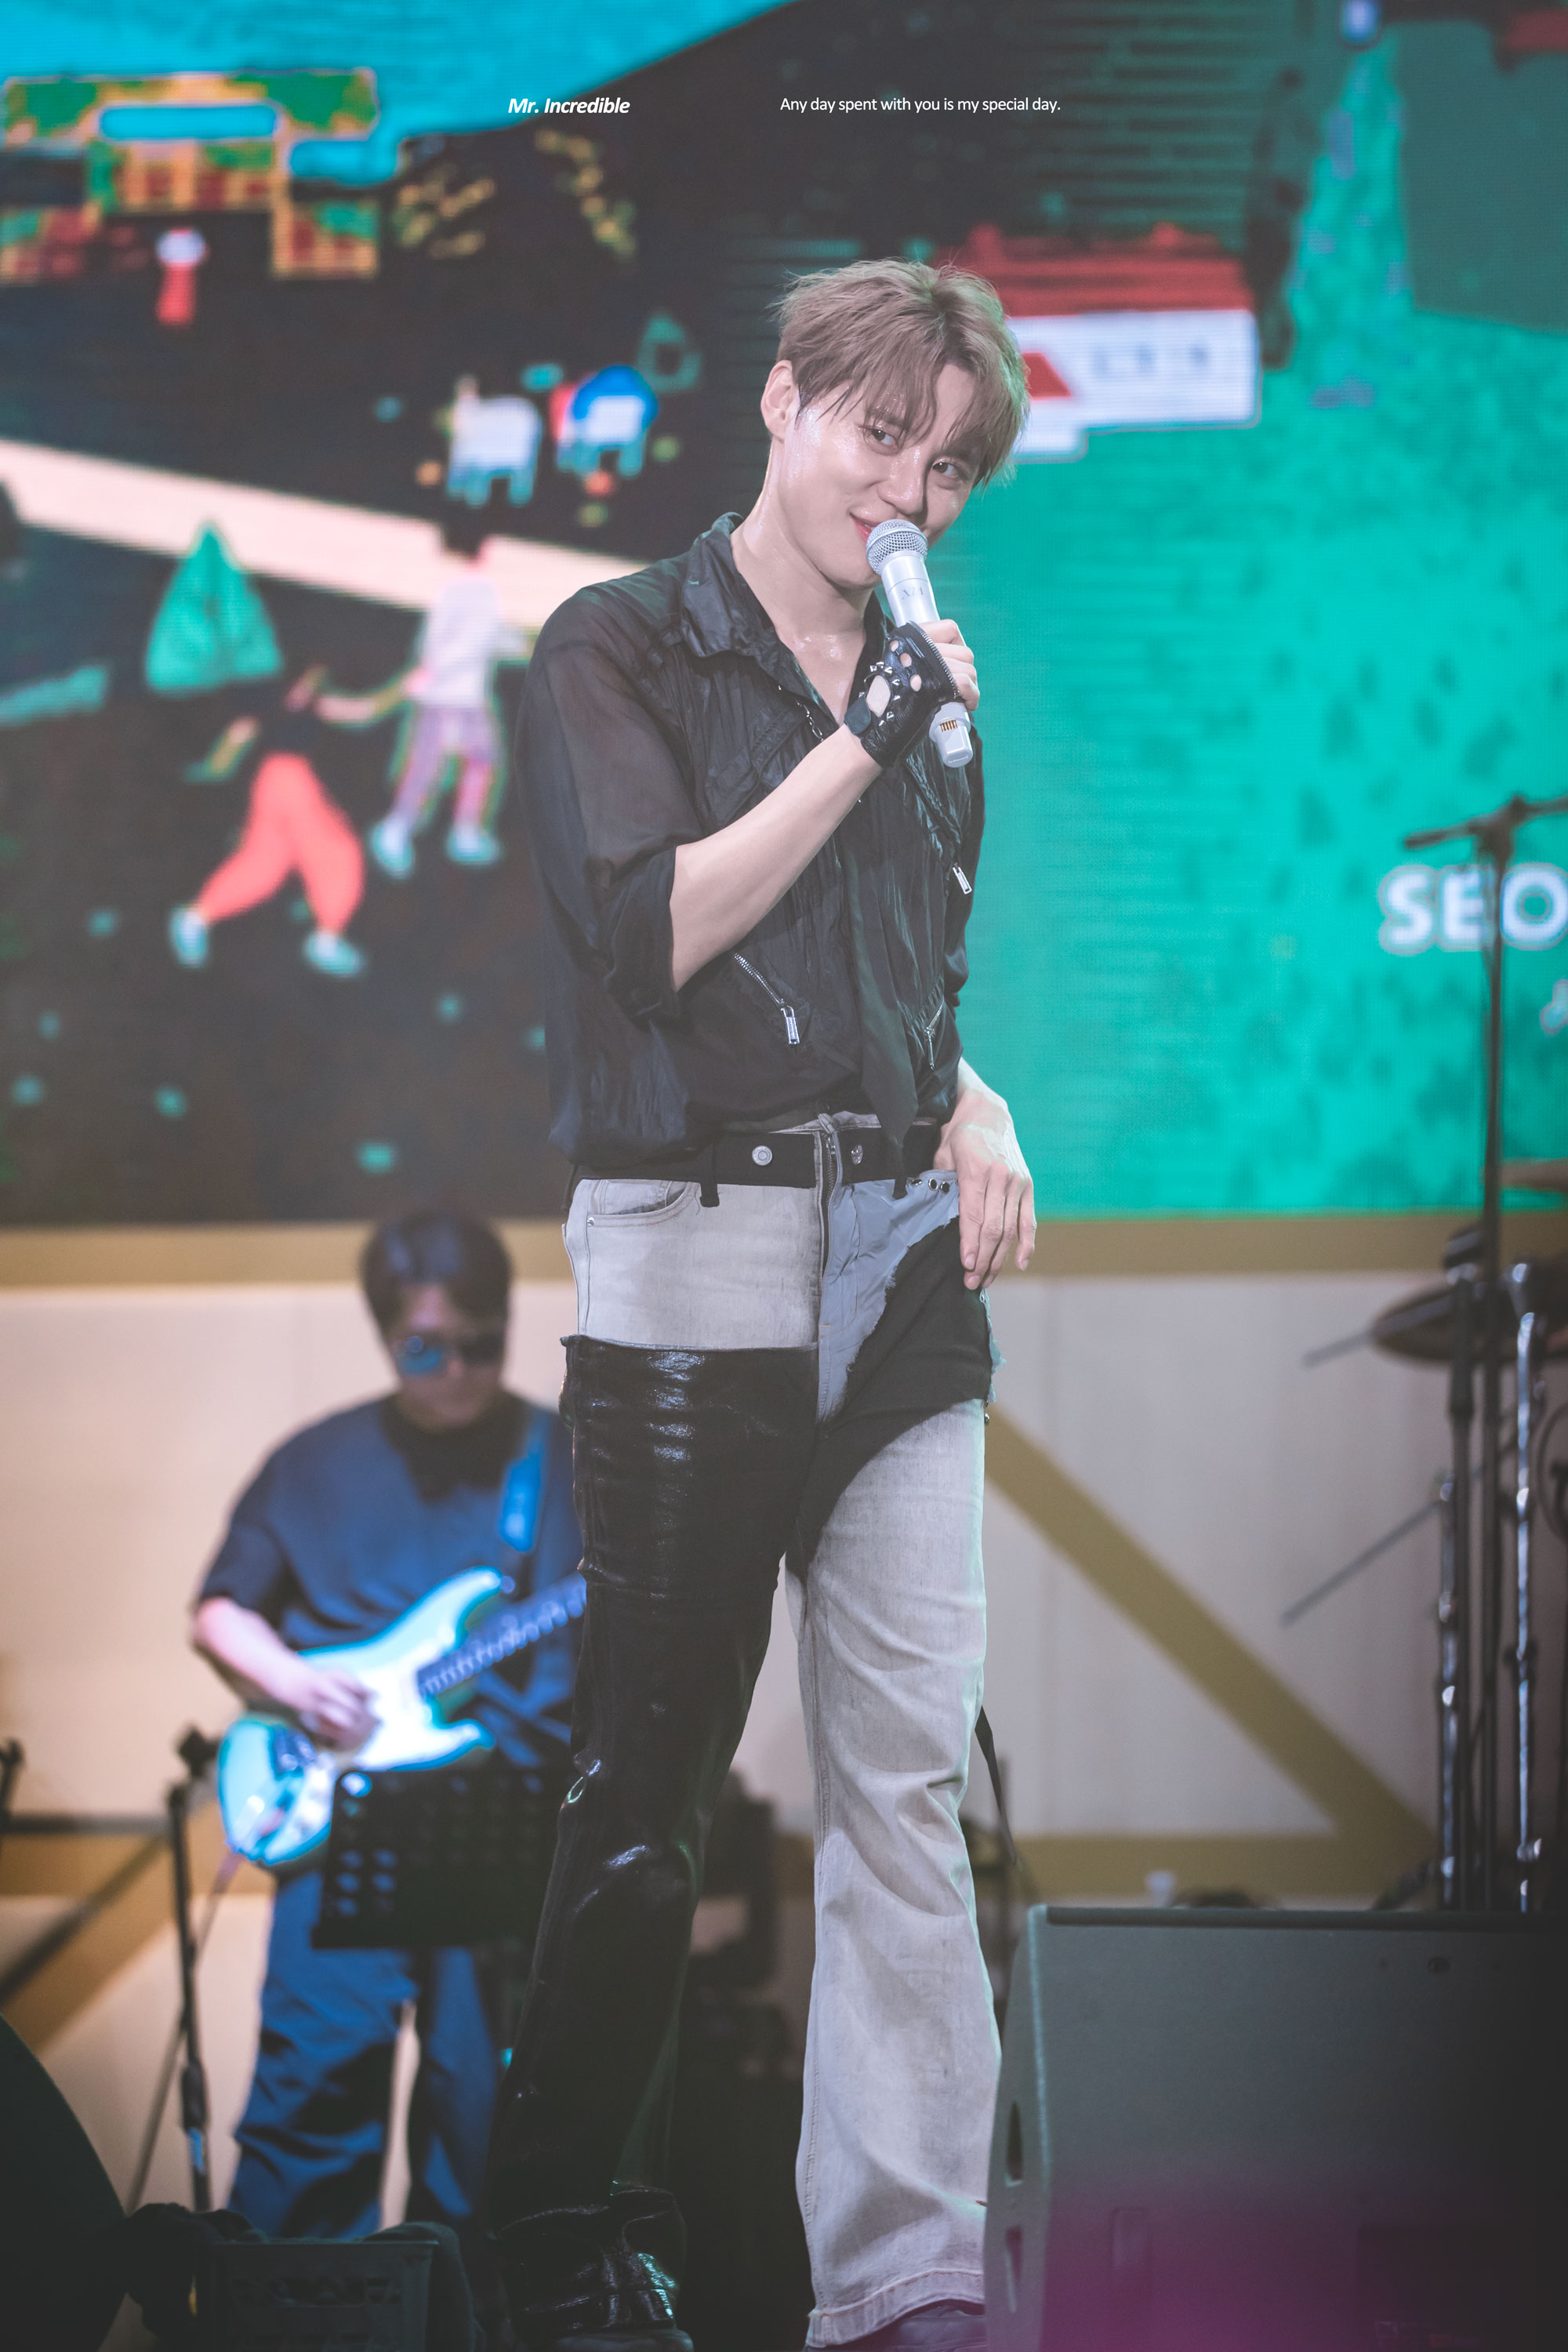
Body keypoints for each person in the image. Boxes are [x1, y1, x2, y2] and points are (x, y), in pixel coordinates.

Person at [487, 258, 1036, 2352]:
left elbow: (909, 985)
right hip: (691, 1243)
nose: (907, 490)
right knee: (651, 1784)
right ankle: (559, 2251)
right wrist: (862, 734)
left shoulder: (934, 693)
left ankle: (907, 2277)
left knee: (902, 1783)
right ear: (783, 400)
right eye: (880, 433)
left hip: (896, 1258)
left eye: (948, 465)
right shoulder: (619, 640)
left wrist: (975, 1096)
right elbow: (651, 935)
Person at [191, 1210, 581, 2244]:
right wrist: (297, 1684)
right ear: (383, 1334)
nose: (455, 1372)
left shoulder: (557, 1456)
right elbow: (219, 1611)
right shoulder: (312, 1463)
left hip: (495, 1839)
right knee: (307, 2115)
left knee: (480, 2132)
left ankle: (458, 2315)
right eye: (424, 1349)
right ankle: (293, 2314)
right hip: (336, 1838)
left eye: (480, 1345)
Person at [169, 666, 368, 979]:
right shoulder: (279, 706)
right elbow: (241, 731)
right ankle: (327, 938)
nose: (306, 688)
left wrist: (403, 689)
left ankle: (195, 918)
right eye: (305, 680)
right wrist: (215, 764)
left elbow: (361, 711)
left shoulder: (313, 705)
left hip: (275, 782)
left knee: (266, 865)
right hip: (288, 777)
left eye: (314, 683)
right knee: (335, 849)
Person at [368, 505, 525, 879]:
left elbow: (480, 636)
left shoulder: (464, 587)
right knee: (436, 765)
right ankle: (403, 830)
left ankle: (456, 831)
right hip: (451, 696)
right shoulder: (471, 587)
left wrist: (520, 644)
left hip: (458, 694)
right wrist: (435, 671)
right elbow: (466, 641)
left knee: (471, 759)